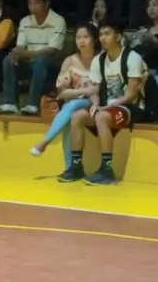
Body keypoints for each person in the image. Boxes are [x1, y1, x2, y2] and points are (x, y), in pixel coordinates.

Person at [59, 20, 147, 185]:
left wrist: (106, 108)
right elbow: (94, 90)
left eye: (107, 34)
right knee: (77, 116)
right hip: (108, 108)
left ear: (118, 37)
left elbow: (131, 94)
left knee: (101, 117)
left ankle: (107, 169)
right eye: (101, 34)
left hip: (131, 107)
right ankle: (76, 166)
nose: (103, 38)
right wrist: (96, 105)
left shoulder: (132, 57)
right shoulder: (98, 60)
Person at [31, 24, 100, 158]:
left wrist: (89, 93)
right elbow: (61, 92)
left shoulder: (101, 59)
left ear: (94, 39)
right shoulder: (70, 61)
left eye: (86, 37)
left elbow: (98, 89)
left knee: (73, 105)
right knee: (70, 113)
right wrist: (85, 90)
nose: (81, 40)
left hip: (95, 103)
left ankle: (45, 142)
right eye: (78, 37)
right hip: (72, 105)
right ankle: (70, 168)